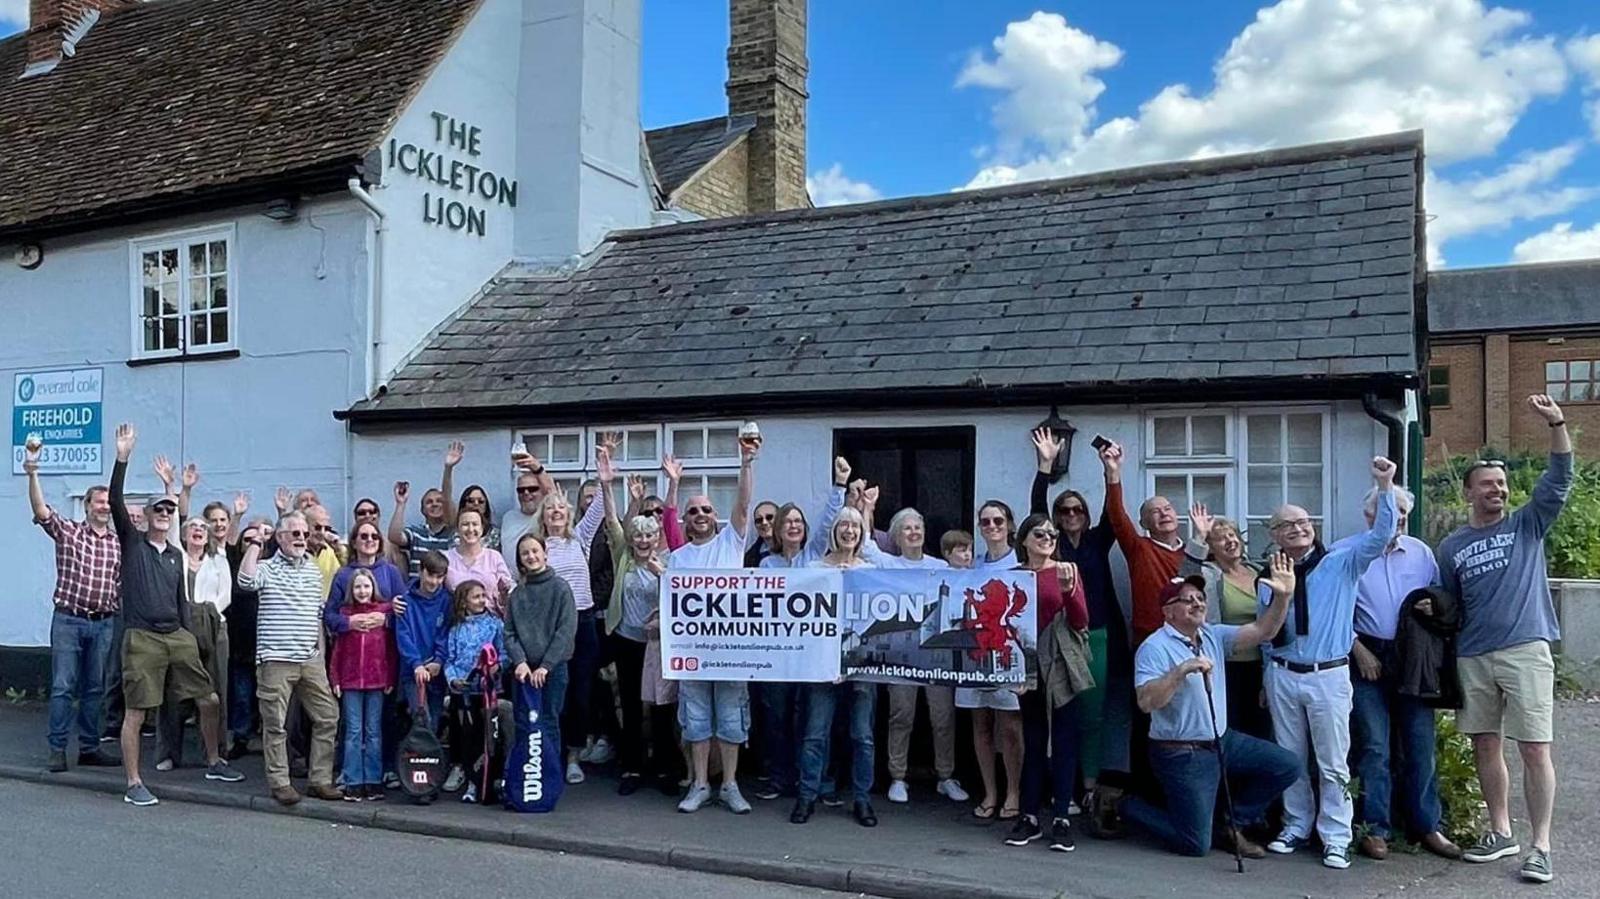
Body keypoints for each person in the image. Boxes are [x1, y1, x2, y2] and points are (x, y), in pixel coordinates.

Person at [1439, 395, 1572, 884]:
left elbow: (1559, 478)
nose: (1497, 490)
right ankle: (1500, 831)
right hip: (1474, 655)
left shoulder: (1527, 524)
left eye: (1502, 483)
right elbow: (1450, 607)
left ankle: (1540, 845)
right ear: (1469, 493)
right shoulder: (1451, 546)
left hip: (1525, 649)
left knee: (1535, 747)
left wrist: (1556, 423)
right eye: (1487, 484)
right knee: (1484, 743)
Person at [1262, 456, 1399, 869]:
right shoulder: (1270, 572)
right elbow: (1267, 626)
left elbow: (1381, 535)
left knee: (1332, 758)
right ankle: (1296, 824)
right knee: (1290, 756)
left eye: (1303, 521)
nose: (1298, 528)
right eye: (1287, 524)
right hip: (1283, 674)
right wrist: (1265, 675)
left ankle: (1335, 836)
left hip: (1328, 675)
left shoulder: (1342, 561)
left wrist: (1386, 486)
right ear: (1275, 535)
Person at [1118, 562, 1300, 858]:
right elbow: (1146, 702)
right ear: (1168, 611)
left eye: (1200, 598)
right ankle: (1127, 806)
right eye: (1187, 599)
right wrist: (1180, 672)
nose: (1197, 603)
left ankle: (1232, 824)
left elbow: (1263, 631)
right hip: (1183, 752)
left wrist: (1283, 597)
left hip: (1222, 741)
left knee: (1287, 765)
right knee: (1195, 846)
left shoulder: (1212, 634)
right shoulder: (1154, 647)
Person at [107, 424, 243, 806]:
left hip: (176, 636)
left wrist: (189, 636)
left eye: (169, 510)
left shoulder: (175, 555)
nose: (165, 514)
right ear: (147, 516)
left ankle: (215, 759)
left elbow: (182, 598)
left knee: (210, 698)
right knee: (137, 712)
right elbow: (116, 499)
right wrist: (123, 457)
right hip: (142, 638)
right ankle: (134, 783)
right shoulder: (133, 543)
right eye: (159, 509)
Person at [1338, 487, 1463, 861]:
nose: (1399, 522)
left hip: (1412, 657)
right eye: (1391, 514)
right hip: (1366, 653)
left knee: (1420, 743)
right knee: (1374, 746)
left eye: (1404, 516)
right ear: (1370, 517)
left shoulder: (1421, 552)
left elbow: (1440, 595)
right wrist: (1357, 649)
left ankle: (1427, 826)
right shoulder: (1348, 552)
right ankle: (1375, 828)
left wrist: (1432, 603)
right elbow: (1334, 610)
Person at [1030, 428, 1132, 824]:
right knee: (1056, 716)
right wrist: (1045, 465)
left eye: (1077, 510)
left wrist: (1112, 470)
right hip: (1055, 638)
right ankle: (1061, 788)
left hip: (1097, 635)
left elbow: (1115, 513)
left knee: (1091, 715)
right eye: (1064, 511)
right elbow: (1036, 506)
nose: (1071, 516)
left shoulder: (1096, 540)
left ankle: (1087, 788)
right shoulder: (1050, 543)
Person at [667, 436, 756, 814]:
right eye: (693, 511)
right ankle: (701, 784)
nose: (700, 514)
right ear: (686, 521)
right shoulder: (678, 557)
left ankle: (730, 786)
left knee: (732, 721)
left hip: (731, 650)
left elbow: (744, 503)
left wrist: (746, 462)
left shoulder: (730, 543)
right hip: (692, 654)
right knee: (697, 721)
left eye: (706, 509)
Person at [24, 443, 121, 772]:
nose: (104, 507)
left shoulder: (118, 543)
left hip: (104, 623)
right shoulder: (70, 532)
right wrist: (33, 472)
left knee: (95, 688)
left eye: (108, 503)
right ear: (88, 505)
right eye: (99, 502)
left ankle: (90, 748)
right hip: (69, 620)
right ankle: (57, 749)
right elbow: (40, 510)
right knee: (64, 687)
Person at [238, 510, 341, 805]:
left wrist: (319, 654)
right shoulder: (267, 568)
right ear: (280, 537)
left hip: (309, 659)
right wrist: (257, 542)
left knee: (328, 717)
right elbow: (245, 580)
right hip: (275, 659)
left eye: (305, 534)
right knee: (275, 724)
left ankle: (319, 780)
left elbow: (316, 615)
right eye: (295, 534)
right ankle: (280, 782)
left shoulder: (312, 570)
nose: (301, 539)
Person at [1005, 512, 1088, 852]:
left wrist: (1069, 592)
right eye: (1039, 533)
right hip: (1027, 665)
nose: (1047, 537)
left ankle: (1062, 817)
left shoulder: (1067, 570)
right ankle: (1029, 815)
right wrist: (1008, 672)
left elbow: (1082, 621)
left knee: (1065, 739)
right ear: (1023, 539)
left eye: (1051, 534)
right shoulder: (1013, 576)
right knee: (1034, 739)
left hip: (1060, 662)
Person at [527, 440, 610, 783]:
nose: (557, 512)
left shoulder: (582, 539)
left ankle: (574, 755)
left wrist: (605, 477)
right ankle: (551, 754)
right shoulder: (537, 548)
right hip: (552, 628)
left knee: (581, 692)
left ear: (569, 514)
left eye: (562, 507)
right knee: (554, 693)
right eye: (551, 509)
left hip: (585, 622)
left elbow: (602, 507)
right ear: (543, 518)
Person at [794, 507, 879, 827]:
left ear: (862, 533)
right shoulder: (815, 568)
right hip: (822, 664)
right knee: (815, 734)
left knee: (863, 736)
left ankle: (862, 800)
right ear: (833, 531)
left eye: (855, 526)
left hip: (862, 667)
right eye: (843, 524)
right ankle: (807, 796)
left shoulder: (871, 570)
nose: (849, 530)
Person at [877, 507, 966, 806]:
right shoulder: (888, 565)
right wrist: (864, 507)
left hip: (936, 654)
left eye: (918, 527)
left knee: (943, 716)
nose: (914, 533)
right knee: (901, 715)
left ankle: (945, 776)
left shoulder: (940, 566)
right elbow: (862, 545)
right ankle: (898, 776)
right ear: (897, 537)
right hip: (902, 654)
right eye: (907, 529)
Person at [959, 503, 1025, 822]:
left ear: (1009, 524)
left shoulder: (1020, 563)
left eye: (998, 520)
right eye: (985, 521)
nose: (992, 526)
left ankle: (1013, 791)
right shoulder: (973, 564)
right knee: (980, 723)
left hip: (1007, 652)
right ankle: (990, 791)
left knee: (1010, 724)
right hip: (975, 652)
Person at [1185, 507, 1272, 741]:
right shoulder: (1209, 574)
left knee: (1262, 731)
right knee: (1231, 731)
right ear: (1211, 548)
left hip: (1262, 665)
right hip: (1227, 667)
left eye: (1233, 535)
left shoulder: (1258, 572)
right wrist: (1199, 538)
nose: (1230, 540)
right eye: (1221, 538)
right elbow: (1185, 579)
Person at [155, 515, 233, 771]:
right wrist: (172, 488)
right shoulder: (176, 555)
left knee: (215, 690)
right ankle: (168, 754)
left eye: (202, 528)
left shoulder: (218, 560)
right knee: (174, 690)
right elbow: (175, 522)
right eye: (193, 528)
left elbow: (226, 594)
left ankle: (215, 753)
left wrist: (206, 613)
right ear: (185, 535)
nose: (198, 531)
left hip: (213, 626)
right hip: (180, 628)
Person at [505, 533, 578, 782]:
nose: (531, 556)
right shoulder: (517, 594)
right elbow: (510, 632)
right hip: (524, 671)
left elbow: (565, 631)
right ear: (520, 561)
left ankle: (549, 778)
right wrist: (520, 662)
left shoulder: (561, 589)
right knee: (524, 722)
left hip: (552, 670)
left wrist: (546, 666)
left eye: (535, 551)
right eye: (525, 553)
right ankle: (526, 777)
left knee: (548, 721)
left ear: (545, 553)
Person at [329, 569, 396, 801]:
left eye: (366, 586)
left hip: (377, 681)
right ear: (351, 590)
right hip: (350, 682)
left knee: (373, 732)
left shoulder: (383, 613)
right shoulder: (345, 615)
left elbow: (390, 650)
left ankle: (373, 780)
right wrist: (335, 678)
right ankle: (353, 780)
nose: (362, 591)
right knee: (353, 732)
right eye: (357, 587)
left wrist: (390, 678)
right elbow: (337, 652)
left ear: (373, 588)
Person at [442, 579, 506, 804]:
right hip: (464, 692)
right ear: (464, 602)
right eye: (476, 596)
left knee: (486, 738)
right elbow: (449, 659)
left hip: (487, 692)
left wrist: (497, 667)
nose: (482, 600)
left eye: (483, 596)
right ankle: (468, 778)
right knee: (466, 737)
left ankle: (485, 781)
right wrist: (452, 679)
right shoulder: (456, 628)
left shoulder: (494, 624)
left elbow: (503, 653)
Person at [394, 550, 452, 744]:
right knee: (422, 720)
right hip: (413, 672)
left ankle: (430, 766)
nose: (433, 581)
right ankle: (417, 763)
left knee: (435, 721)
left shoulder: (446, 601)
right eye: (430, 575)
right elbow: (403, 636)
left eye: (439, 577)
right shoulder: (404, 601)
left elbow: (446, 633)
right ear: (420, 571)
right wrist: (416, 664)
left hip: (436, 671)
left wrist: (439, 660)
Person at [389, 441, 464, 579]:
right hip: (417, 591)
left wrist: (448, 469)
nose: (435, 504)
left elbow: (447, 497)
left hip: (442, 593)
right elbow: (394, 536)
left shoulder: (453, 532)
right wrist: (401, 504)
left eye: (439, 501)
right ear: (423, 510)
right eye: (429, 502)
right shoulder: (416, 533)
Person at [325, 521, 409, 635]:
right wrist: (348, 622)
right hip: (350, 644)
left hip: (385, 646)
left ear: (379, 542)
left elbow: (406, 611)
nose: (370, 540)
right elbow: (330, 615)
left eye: (375, 536)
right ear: (354, 543)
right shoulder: (342, 575)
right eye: (364, 536)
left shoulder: (391, 572)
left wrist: (386, 620)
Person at [444, 508, 515, 614]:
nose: (470, 529)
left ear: (482, 529)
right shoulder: (446, 558)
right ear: (457, 529)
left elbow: (508, 588)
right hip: (456, 622)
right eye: (465, 524)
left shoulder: (494, 557)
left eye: (475, 524)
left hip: (490, 621)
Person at [501, 452, 555, 567]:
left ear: (542, 491)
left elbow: (553, 495)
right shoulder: (508, 517)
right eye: (521, 490)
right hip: (511, 583)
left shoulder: (544, 516)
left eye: (532, 489)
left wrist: (537, 468)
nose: (526, 493)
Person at [455, 484, 501, 552]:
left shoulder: (495, 534)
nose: (476, 504)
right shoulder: (456, 533)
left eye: (481, 501)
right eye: (471, 501)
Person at [745, 501, 780, 567]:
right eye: (759, 520)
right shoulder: (750, 557)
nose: (764, 522)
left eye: (769, 517)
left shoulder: (792, 548)